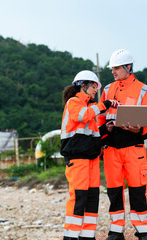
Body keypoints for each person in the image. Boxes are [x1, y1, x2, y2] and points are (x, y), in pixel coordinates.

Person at [97, 49, 147, 240]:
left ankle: (143, 231)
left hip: (133, 148)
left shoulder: (144, 90)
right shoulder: (106, 89)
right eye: (112, 68)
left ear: (128, 67)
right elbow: (100, 118)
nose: (113, 71)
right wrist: (106, 130)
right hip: (112, 148)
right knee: (114, 191)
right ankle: (116, 230)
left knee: (138, 190)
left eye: (116, 68)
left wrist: (137, 129)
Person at [60, 70, 117, 240]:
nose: (95, 90)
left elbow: (91, 135)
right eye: (93, 86)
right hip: (78, 159)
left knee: (92, 199)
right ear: (82, 86)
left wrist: (106, 129)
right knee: (78, 198)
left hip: (91, 159)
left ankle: (87, 236)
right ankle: (70, 236)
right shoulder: (74, 102)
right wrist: (103, 105)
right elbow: (83, 116)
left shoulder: (90, 108)